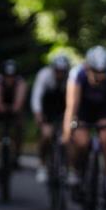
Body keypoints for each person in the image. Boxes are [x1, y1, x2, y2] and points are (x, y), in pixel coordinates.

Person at [61, 46, 106, 207]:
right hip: (83, 108)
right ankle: (75, 173)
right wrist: (66, 133)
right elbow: (72, 106)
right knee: (81, 141)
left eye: (102, 73)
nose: (99, 78)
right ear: (87, 67)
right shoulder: (77, 74)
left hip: (102, 109)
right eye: (95, 73)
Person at [0, 59, 28, 187]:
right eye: (7, 77)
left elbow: (19, 103)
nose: (10, 79)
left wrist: (15, 108)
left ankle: (17, 156)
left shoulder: (21, 83)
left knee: (20, 126)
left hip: (13, 111)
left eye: (12, 77)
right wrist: (1, 108)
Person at [31, 53, 71, 184]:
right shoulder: (44, 76)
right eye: (57, 71)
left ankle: (67, 167)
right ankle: (42, 165)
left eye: (62, 72)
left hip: (65, 108)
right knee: (46, 135)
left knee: (69, 137)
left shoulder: (71, 78)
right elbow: (37, 97)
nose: (60, 74)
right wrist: (39, 115)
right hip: (48, 108)